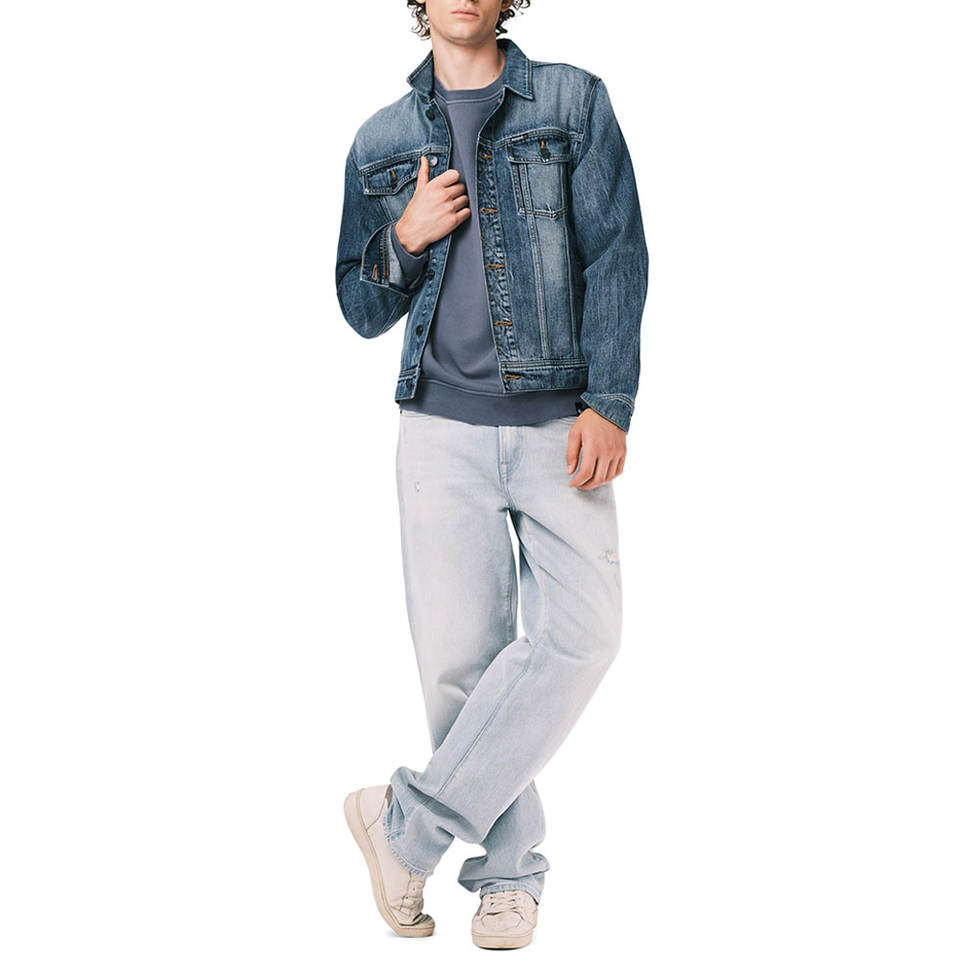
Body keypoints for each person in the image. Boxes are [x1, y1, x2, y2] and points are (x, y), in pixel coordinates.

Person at [335, 0, 648, 949]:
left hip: (560, 424)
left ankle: (404, 825)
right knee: (462, 672)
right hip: (438, 433)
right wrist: (405, 237)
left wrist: (610, 402)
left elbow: (618, 253)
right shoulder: (381, 138)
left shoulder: (572, 101)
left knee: (584, 636)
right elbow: (357, 304)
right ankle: (509, 877)